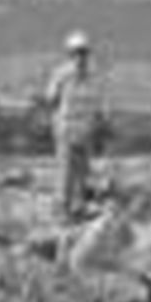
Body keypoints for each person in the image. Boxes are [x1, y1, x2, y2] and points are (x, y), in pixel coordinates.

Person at [45, 31, 102, 222]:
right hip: (66, 130)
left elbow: (95, 103)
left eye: (84, 52)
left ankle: (78, 208)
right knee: (65, 173)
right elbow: (51, 99)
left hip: (85, 131)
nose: (81, 56)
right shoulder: (61, 75)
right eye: (77, 52)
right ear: (69, 54)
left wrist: (94, 125)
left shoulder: (92, 76)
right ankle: (62, 210)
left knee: (82, 172)